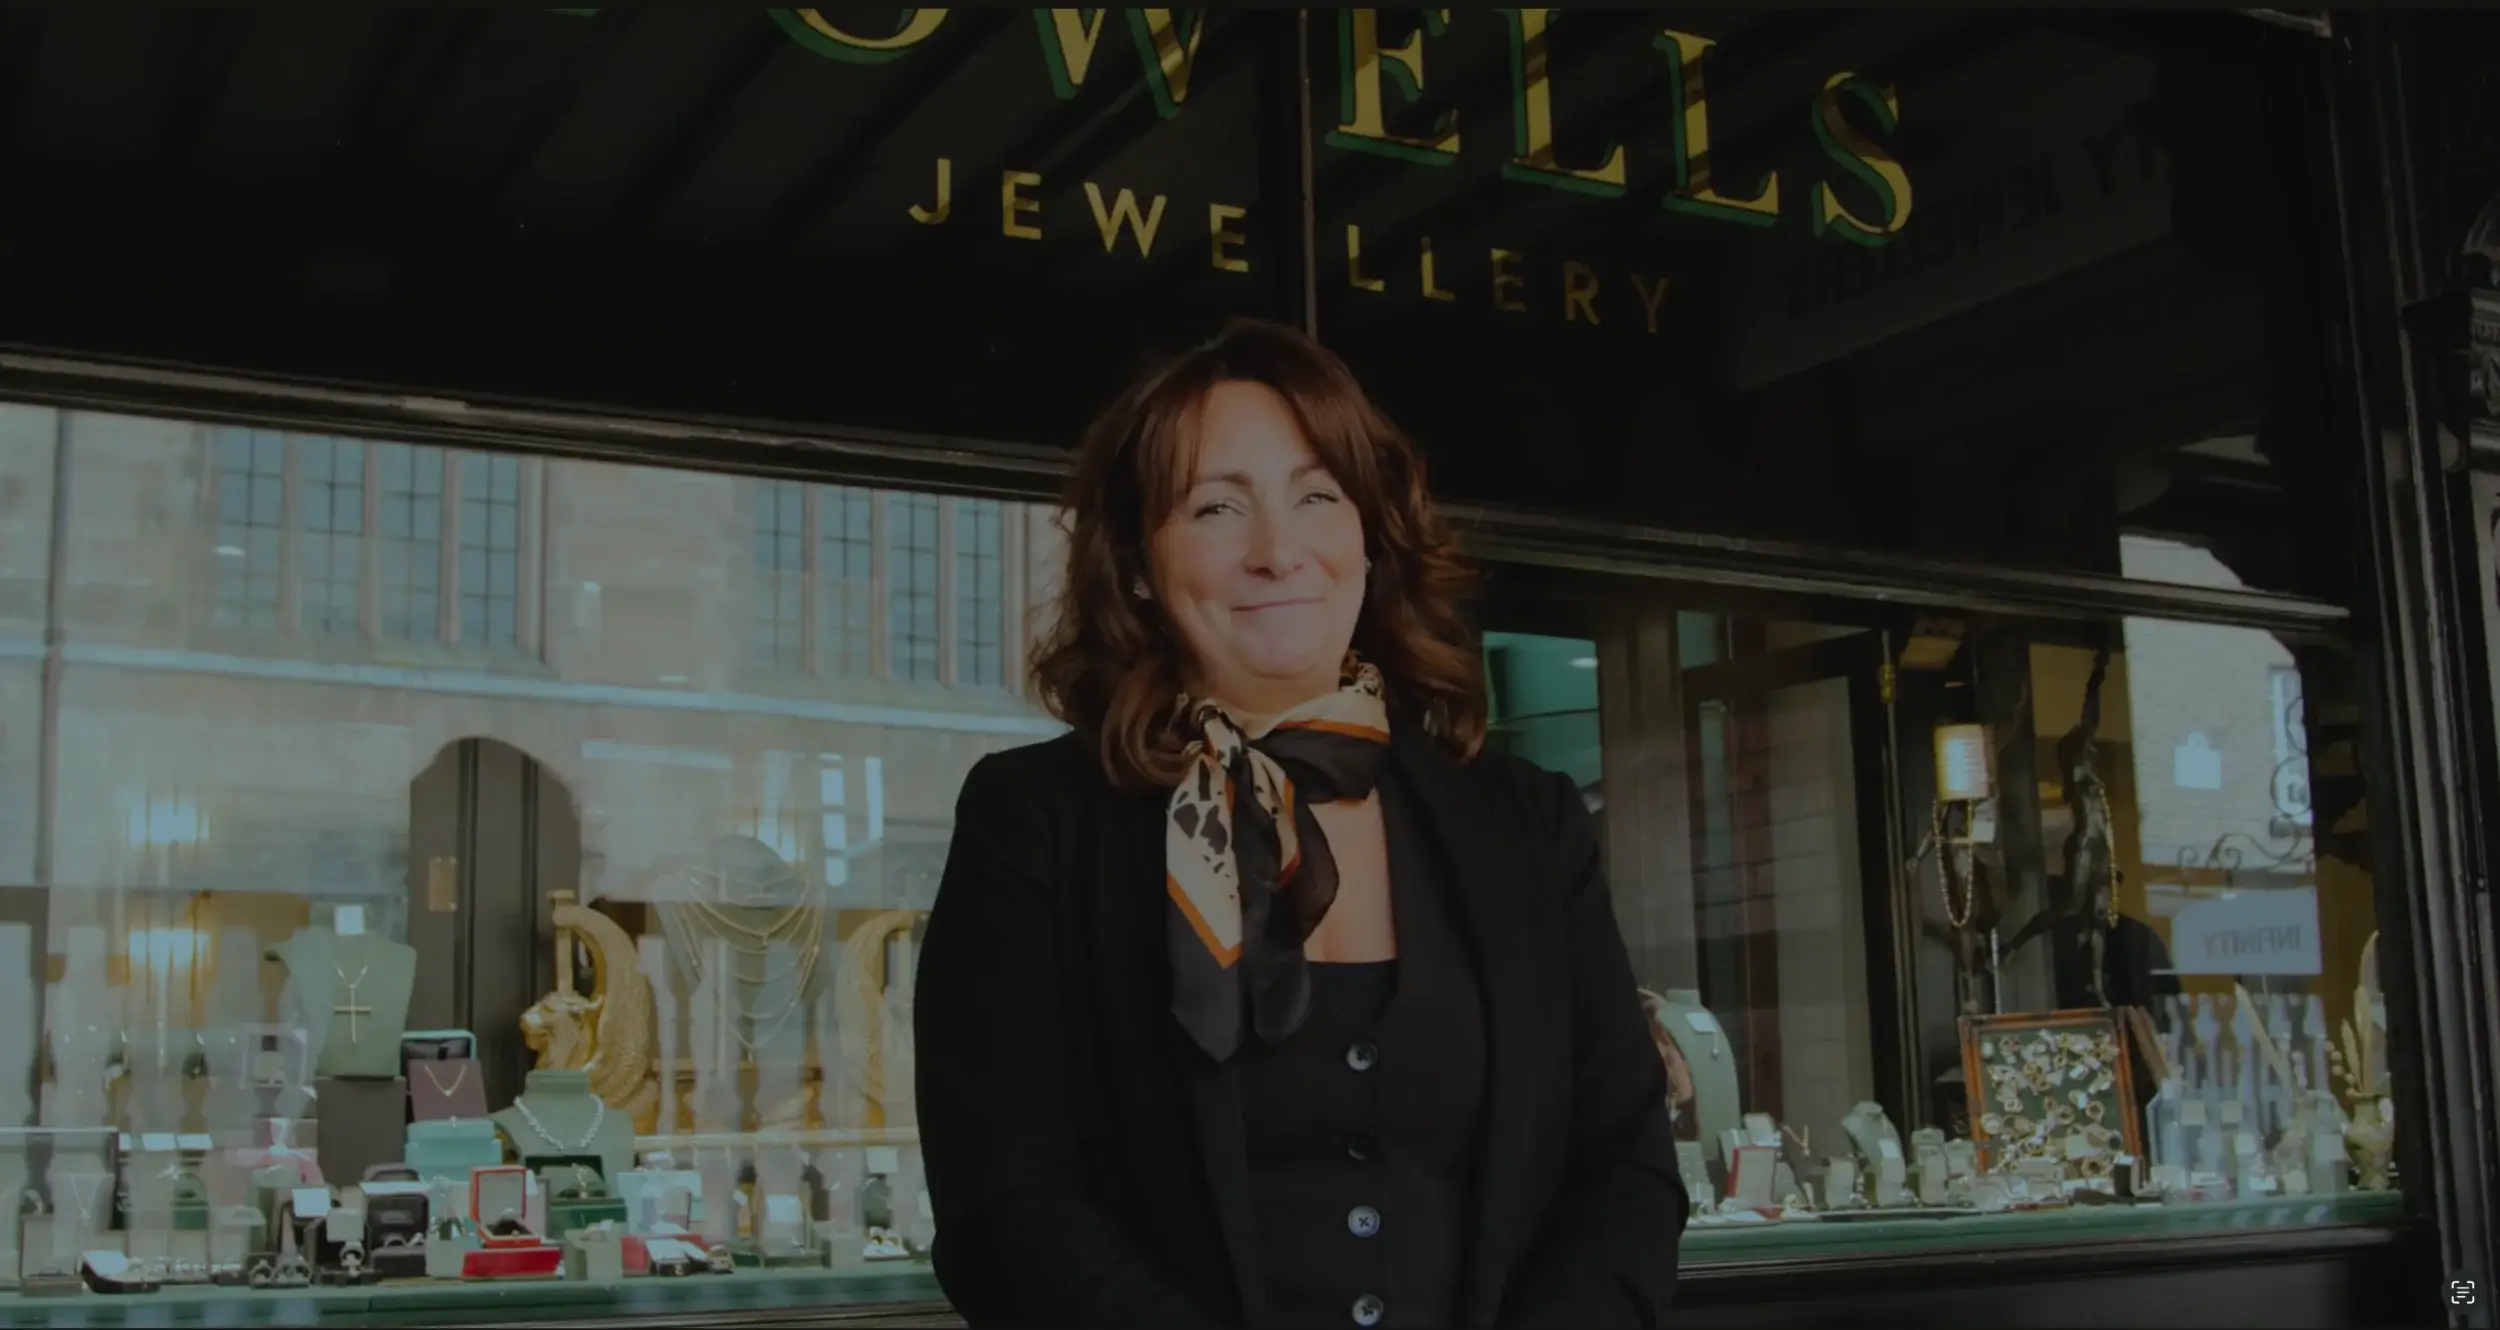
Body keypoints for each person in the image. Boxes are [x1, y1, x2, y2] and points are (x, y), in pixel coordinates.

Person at [913, 319, 1687, 1329]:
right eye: (1215, 506)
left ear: (1368, 538)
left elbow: (1624, 1163)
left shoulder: (1523, 824)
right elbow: (1003, 1206)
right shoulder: (1037, 824)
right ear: (1139, 565)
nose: (1277, 552)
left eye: (1317, 496)